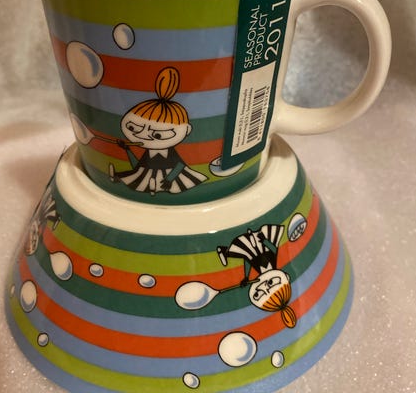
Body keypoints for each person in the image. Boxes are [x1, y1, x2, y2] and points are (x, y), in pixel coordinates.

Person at [109, 67, 207, 195]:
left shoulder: (169, 153)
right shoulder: (149, 151)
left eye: (158, 134)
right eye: (133, 128)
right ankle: (120, 178)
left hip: (169, 176)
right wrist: (127, 149)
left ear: (187, 130)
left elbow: (179, 166)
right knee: (138, 176)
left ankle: (154, 186)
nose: (143, 135)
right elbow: (137, 167)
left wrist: (169, 179)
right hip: (147, 173)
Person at [217, 224, 297, 328]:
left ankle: (225, 251)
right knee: (245, 248)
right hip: (259, 242)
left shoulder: (261, 269)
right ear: (286, 276)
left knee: (245, 250)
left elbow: (248, 260)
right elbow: (274, 248)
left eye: (258, 294)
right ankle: (225, 251)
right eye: (271, 283)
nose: (264, 286)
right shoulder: (272, 259)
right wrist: (264, 240)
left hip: (253, 250)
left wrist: (246, 278)